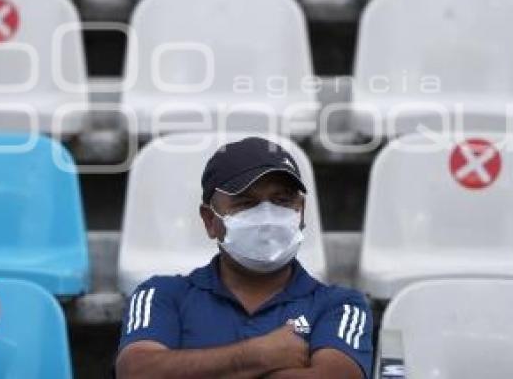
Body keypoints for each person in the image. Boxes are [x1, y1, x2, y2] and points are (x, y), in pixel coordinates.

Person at [115, 136, 373, 378]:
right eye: (246, 203)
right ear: (210, 220)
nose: (267, 217)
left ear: (301, 212)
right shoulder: (160, 294)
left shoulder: (342, 305)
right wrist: (258, 355)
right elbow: (136, 371)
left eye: (282, 201)